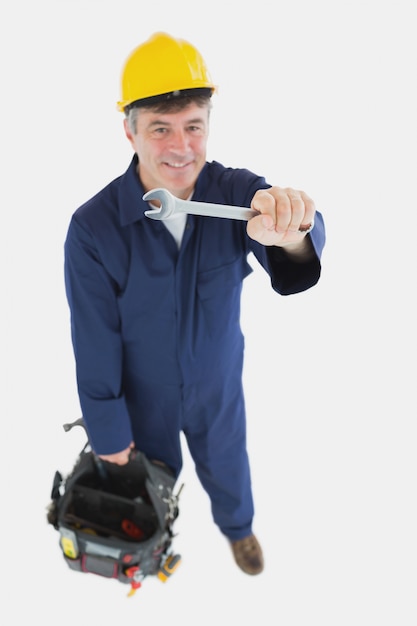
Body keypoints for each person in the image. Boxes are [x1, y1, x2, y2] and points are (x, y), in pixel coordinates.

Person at [64, 31, 326, 576]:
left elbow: (295, 236)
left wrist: (293, 229)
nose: (181, 147)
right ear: (129, 130)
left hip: (217, 386)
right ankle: (155, 537)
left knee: (229, 467)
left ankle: (239, 530)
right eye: (160, 128)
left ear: (208, 125)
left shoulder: (235, 194)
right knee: (148, 485)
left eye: (193, 126)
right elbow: (94, 341)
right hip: (142, 399)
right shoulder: (92, 228)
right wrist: (110, 435)